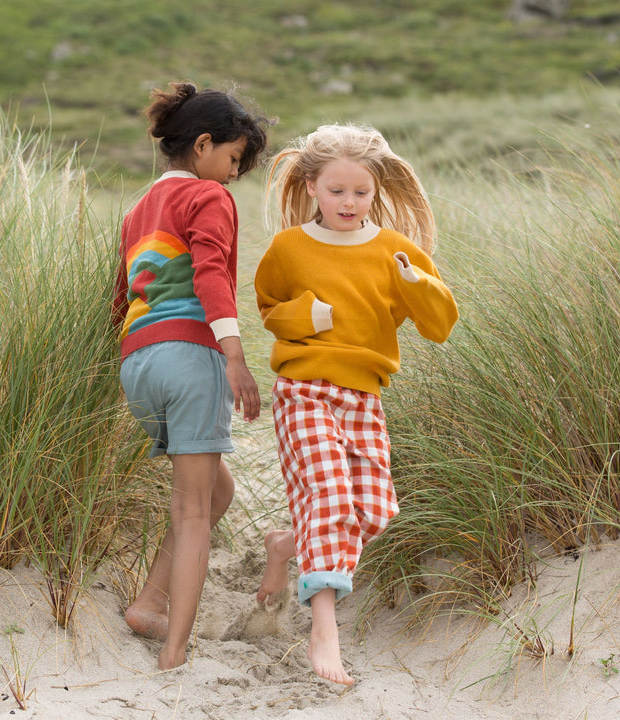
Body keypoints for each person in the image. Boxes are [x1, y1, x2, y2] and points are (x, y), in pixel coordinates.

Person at [254, 123, 459, 685]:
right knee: (330, 498)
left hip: (364, 395)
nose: (349, 202)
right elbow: (269, 307)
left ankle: (285, 545)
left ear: (377, 190)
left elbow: (440, 326)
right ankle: (326, 632)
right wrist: (307, 317)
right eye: (336, 190)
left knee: (373, 511)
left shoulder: (396, 250)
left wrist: (416, 282)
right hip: (304, 389)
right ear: (312, 186)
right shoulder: (288, 247)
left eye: (361, 192)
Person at [112, 81, 269, 671]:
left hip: (139, 364)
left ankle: (152, 603)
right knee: (193, 511)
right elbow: (210, 277)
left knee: (216, 491)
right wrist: (234, 356)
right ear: (203, 145)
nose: (231, 176)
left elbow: (121, 293)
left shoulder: (138, 208)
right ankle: (175, 653)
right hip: (187, 355)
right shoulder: (208, 198)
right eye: (231, 159)